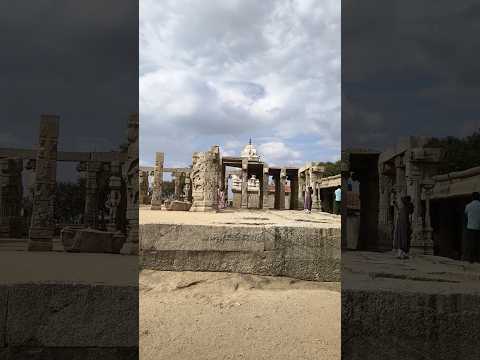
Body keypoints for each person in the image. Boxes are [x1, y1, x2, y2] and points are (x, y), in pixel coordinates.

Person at [464, 192, 480, 263]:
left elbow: (466, 215)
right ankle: (478, 259)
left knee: (470, 243)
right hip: (478, 227)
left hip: (470, 227)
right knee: (478, 243)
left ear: (472, 198)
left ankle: (471, 259)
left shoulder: (468, 206)